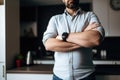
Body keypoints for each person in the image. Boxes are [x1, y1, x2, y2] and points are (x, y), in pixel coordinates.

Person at [42, 0, 105, 80]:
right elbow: (48, 44)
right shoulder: (55, 19)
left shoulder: (90, 16)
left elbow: (96, 39)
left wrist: (62, 36)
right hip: (59, 77)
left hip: (86, 76)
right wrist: (84, 36)